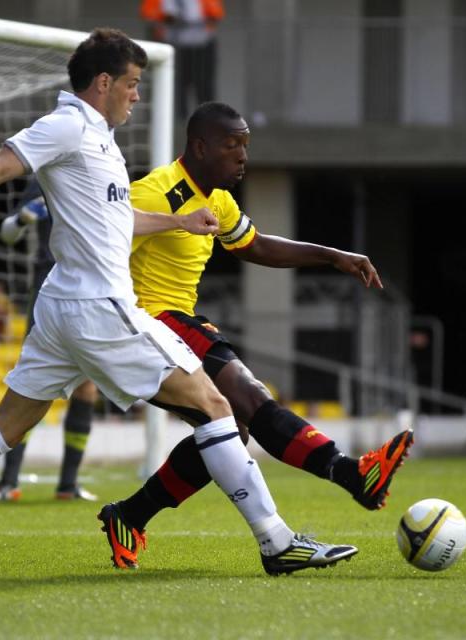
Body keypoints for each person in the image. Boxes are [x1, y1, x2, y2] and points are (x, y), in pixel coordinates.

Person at [0, 28, 355, 578]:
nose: (137, 95)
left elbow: (115, 219)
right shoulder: (67, 125)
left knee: (5, 428)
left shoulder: (99, 140)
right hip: (98, 306)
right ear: (104, 82)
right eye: (133, 84)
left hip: (60, 309)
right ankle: (276, 542)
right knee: (218, 408)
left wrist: (178, 221)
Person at [98, 102, 413, 568]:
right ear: (200, 147)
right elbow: (102, 238)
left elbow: (256, 246)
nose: (243, 156)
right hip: (149, 324)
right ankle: (352, 475)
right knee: (247, 398)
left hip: (175, 325)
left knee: (232, 430)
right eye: (232, 146)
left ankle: (129, 515)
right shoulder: (155, 192)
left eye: (245, 145)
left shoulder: (219, 200)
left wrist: (332, 255)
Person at [0, 185, 99, 503]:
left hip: (90, 287)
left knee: (88, 384)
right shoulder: (42, 181)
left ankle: (68, 484)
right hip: (48, 286)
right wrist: (24, 216)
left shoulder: (98, 173)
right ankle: (8, 481)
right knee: (33, 379)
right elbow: (8, 235)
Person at [141, 0, 224, 118]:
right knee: (171, 85)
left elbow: (214, 17)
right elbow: (152, 19)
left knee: (203, 85)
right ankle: (173, 119)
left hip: (201, 45)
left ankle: (208, 120)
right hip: (169, 46)